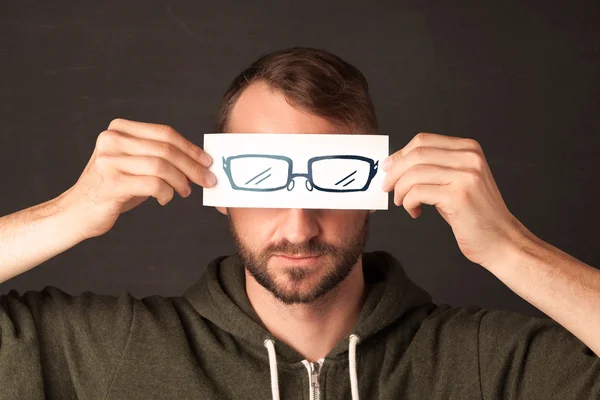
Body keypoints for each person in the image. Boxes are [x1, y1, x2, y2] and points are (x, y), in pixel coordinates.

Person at [0, 47, 598, 400]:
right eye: (261, 178)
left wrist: (510, 248)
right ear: (222, 188)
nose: (299, 223)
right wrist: (68, 214)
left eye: (335, 177)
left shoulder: (489, 364)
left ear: (377, 185)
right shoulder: (113, 354)